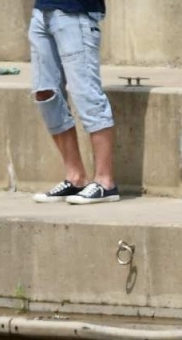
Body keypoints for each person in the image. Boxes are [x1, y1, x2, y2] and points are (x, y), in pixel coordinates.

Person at [28, 0, 119, 205]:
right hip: (42, 12)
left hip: (76, 13)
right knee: (45, 93)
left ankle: (105, 182)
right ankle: (75, 177)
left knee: (86, 94)